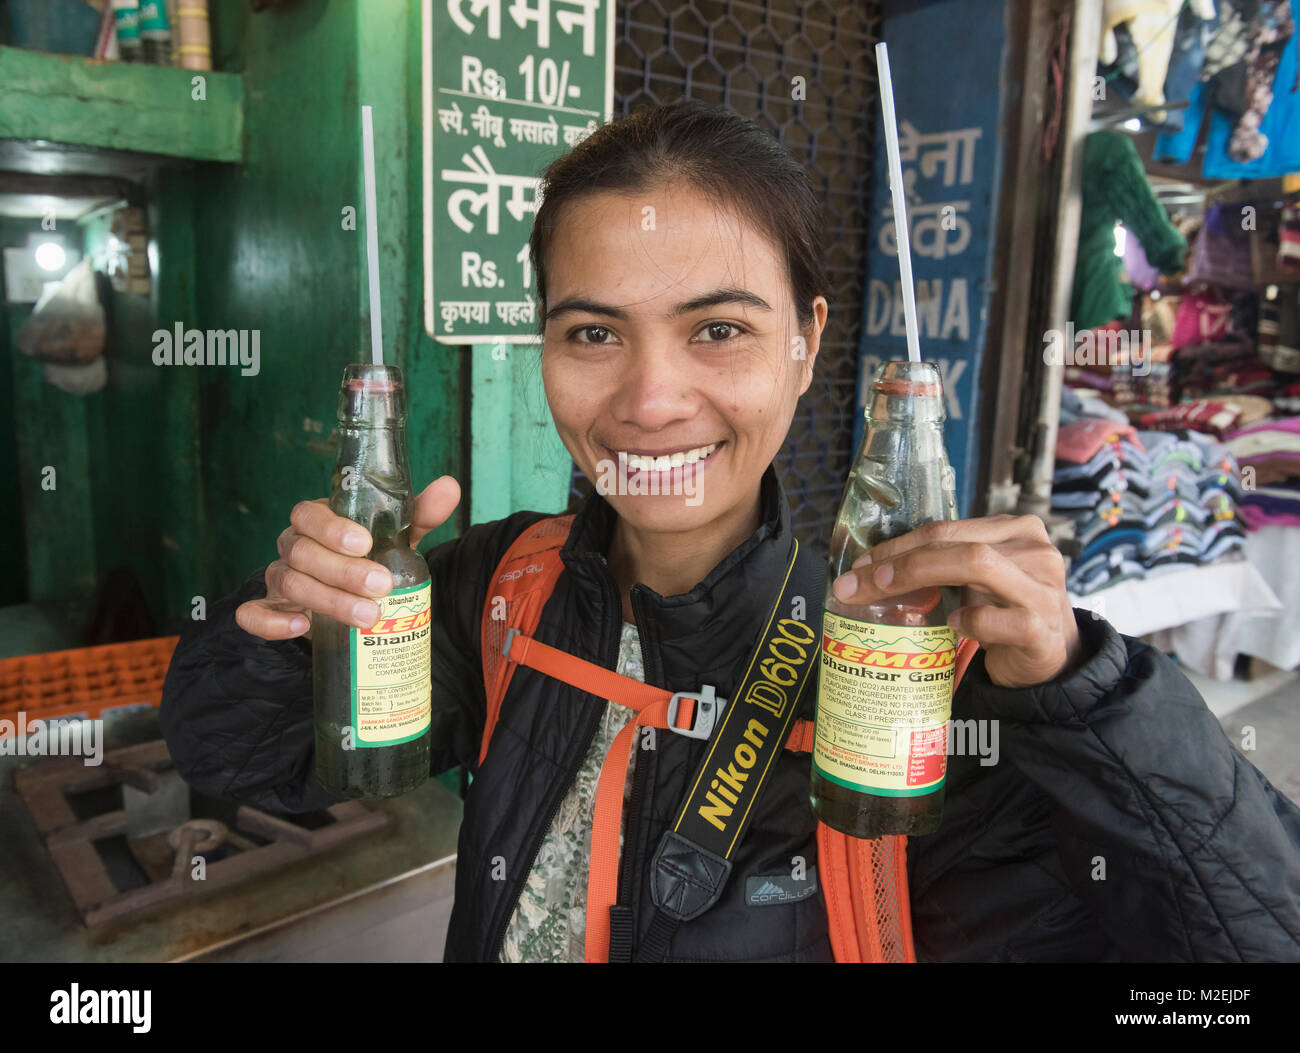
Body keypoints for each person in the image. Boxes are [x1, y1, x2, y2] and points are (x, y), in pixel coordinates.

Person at [160, 99, 1300, 963]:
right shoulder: (495, 584)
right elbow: (244, 764)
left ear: (806, 342)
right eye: (593, 334)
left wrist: (1093, 696)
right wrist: (283, 637)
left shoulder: (929, 679)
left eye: (716, 330)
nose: (650, 400)